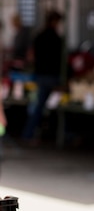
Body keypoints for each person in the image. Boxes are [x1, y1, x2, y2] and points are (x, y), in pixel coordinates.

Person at [22, 10, 65, 144]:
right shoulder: (55, 38)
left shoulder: (39, 36)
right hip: (51, 76)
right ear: (54, 21)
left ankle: (31, 134)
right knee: (54, 105)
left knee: (40, 106)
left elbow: (32, 56)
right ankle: (31, 134)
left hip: (40, 75)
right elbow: (59, 59)